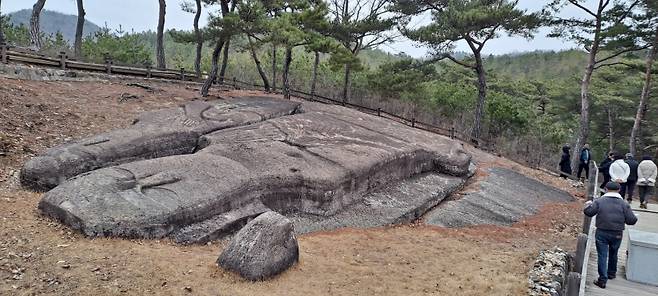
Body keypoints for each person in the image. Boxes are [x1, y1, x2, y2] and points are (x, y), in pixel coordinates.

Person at [584, 181, 638, 289]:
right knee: (614, 253)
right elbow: (631, 220)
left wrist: (588, 205)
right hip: (617, 233)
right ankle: (611, 273)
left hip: (602, 231)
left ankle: (602, 280)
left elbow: (589, 212)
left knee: (602, 255)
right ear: (619, 190)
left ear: (606, 189)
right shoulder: (624, 204)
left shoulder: (599, 201)